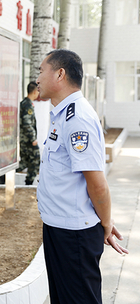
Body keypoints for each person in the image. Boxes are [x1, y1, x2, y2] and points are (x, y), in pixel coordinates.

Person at [36, 49, 128, 304]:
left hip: (73, 234)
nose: (38, 79)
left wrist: (106, 223)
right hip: (59, 227)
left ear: (60, 74)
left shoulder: (78, 119)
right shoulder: (61, 114)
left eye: (41, 71)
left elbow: (97, 185)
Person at [17, 81, 40, 185]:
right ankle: (29, 182)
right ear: (34, 92)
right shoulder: (27, 105)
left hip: (24, 139)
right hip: (27, 140)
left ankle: (5, 175)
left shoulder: (25, 103)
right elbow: (27, 123)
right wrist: (33, 138)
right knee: (35, 159)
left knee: (25, 162)